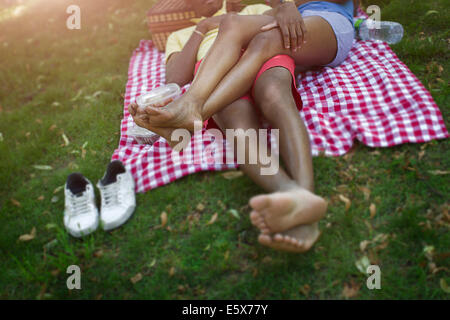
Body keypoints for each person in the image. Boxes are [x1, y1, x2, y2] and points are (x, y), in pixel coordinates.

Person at [129, 0, 329, 252]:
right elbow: (175, 78)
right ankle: (289, 193)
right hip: (214, 71)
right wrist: (200, 30)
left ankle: (302, 200)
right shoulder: (182, 34)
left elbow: (285, 26)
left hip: (262, 56)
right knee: (236, 121)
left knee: (276, 96)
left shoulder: (253, 10)